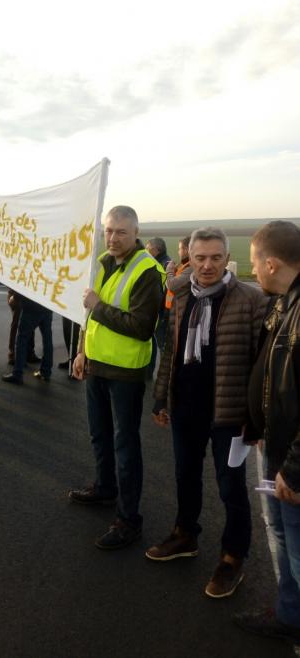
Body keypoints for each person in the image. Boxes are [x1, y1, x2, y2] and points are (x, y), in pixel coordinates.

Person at [147, 227, 266, 598]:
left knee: (231, 488)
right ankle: (185, 534)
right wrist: (161, 397)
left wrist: (256, 417)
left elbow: (261, 366)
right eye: (200, 257)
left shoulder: (250, 299)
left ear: (227, 257)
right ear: (190, 257)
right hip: (186, 407)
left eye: (215, 257)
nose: (207, 265)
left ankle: (233, 557)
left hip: (229, 413)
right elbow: (172, 350)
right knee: (185, 476)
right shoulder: (182, 294)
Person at [69, 205, 163, 550]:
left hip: (125, 373)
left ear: (136, 233)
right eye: (108, 230)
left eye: (121, 232)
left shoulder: (147, 271)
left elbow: (140, 328)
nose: (112, 237)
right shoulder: (103, 265)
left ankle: (129, 520)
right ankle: (104, 488)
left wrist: (98, 306)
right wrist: (81, 351)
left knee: (125, 445)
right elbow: (87, 316)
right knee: (99, 435)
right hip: (96, 366)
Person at [233, 221, 300, 645]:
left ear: (271, 263)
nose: (253, 271)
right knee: (279, 533)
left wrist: (295, 469)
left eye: (255, 263)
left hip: (293, 461)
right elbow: (271, 375)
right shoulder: (282, 303)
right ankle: (289, 615)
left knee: (297, 545)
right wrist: (254, 424)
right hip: (274, 446)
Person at [2, 294, 53, 385]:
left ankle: (17, 374)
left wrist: (15, 297)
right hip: (47, 304)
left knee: (22, 338)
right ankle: (46, 371)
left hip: (32, 305)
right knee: (47, 339)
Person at [145, 237, 170, 379]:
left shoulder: (164, 264)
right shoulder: (161, 261)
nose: (146, 251)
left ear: (156, 250)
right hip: (159, 310)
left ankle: (164, 377)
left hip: (162, 312)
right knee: (155, 341)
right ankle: (150, 372)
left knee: (162, 345)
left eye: (148, 248)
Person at [7, 289, 39, 366]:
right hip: (18, 295)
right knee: (18, 324)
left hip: (26, 295)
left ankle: (29, 353)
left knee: (29, 323)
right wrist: (14, 296)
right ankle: (13, 355)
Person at [164, 235, 192, 310]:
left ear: (186, 250)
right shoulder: (184, 265)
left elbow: (171, 285)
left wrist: (169, 269)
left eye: (179, 249)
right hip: (172, 307)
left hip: (178, 308)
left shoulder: (191, 267)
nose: (178, 252)